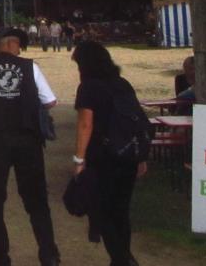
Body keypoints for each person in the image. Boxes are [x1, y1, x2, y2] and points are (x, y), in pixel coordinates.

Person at [0, 26, 60, 266]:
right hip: (27, 139)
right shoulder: (31, 68)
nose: (20, 49)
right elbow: (50, 101)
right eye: (18, 44)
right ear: (10, 44)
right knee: (36, 198)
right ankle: (48, 253)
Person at [71, 41, 148, 266]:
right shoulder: (122, 84)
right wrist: (141, 156)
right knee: (121, 211)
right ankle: (123, 256)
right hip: (128, 154)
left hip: (103, 156)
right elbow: (136, 121)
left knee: (102, 211)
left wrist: (79, 159)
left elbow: (85, 124)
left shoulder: (88, 87)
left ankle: (121, 258)